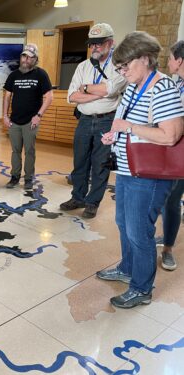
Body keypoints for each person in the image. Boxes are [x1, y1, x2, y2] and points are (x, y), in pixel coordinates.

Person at [96, 31, 184, 309]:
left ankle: (142, 287)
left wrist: (129, 128)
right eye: (119, 67)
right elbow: (122, 119)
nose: (123, 71)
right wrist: (114, 135)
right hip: (127, 168)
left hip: (149, 175)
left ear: (145, 59)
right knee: (124, 224)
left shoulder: (163, 88)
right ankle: (127, 268)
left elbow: (170, 136)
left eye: (126, 66)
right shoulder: (134, 86)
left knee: (139, 231)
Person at [59, 23, 126, 219]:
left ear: (110, 43)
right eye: (91, 44)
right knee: (79, 162)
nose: (94, 47)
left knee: (100, 164)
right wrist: (101, 93)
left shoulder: (119, 65)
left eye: (99, 43)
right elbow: (71, 96)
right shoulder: (83, 66)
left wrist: (86, 89)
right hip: (85, 121)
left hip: (107, 121)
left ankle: (92, 202)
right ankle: (77, 197)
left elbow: (112, 89)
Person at [2, 44, 53, 190]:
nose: (26, 59)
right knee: (15, 150)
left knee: (29, 151)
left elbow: (49, 97)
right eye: (24, 56)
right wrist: (5, 116)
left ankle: (29, 177)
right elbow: (7, 96)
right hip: (14, 121)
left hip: (31, 121)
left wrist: (39, 115)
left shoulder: (41, 74)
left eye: (30, 57)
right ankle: (15, 177)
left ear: (35, 59)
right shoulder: (14, 75)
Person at [155, 40, 184, 271]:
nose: (168, 62)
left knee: (172, 201)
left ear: (180, 61)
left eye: (171, 58)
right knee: (166, 197)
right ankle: (164, 237)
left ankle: (168, 250)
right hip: (171, 150)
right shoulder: (176, 83)